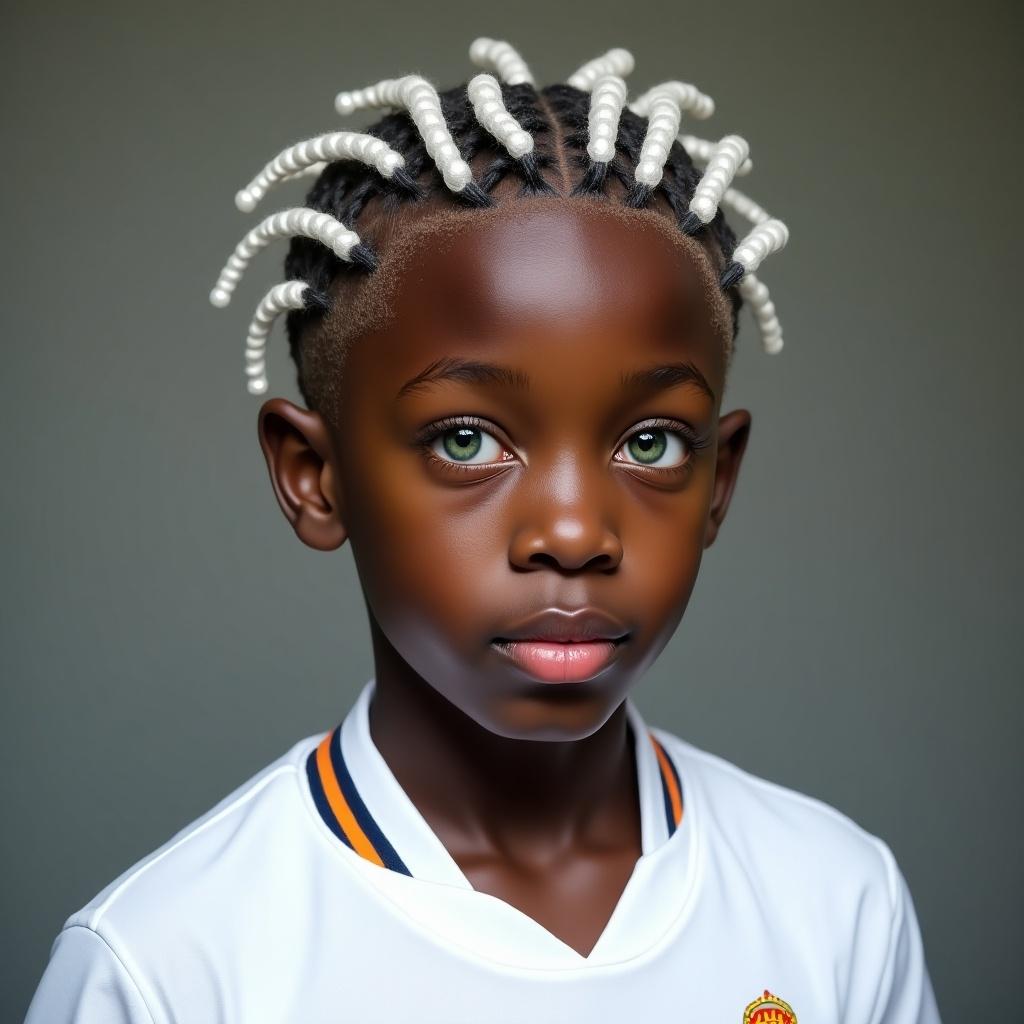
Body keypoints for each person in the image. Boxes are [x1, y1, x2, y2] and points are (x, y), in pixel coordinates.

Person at [25, 37, 941, 1023]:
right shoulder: (168, 965)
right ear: (314, 477)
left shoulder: (837, 903)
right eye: (466, 439)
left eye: (650, 443)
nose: (574, 529)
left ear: (719, 481)